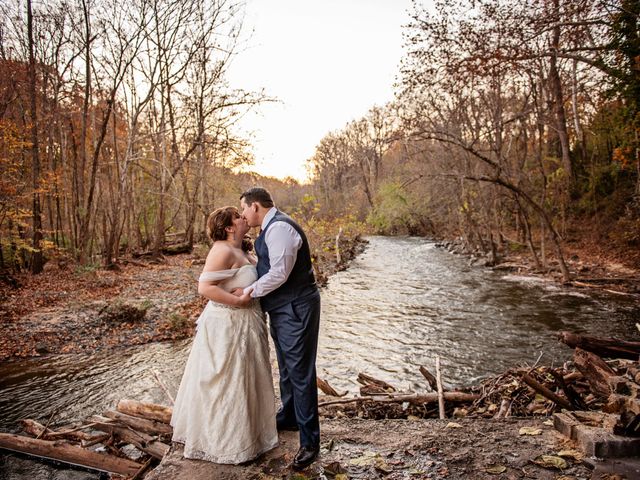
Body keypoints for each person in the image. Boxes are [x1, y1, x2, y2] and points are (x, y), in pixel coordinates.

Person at [170, 206, 278, 464]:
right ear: (229, 227)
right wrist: (237, 302)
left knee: (248, 377)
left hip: (249, 321)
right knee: (227, 380)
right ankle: (226, 444)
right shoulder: (221, 249)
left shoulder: (242, 249)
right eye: (238, 217)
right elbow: (205, 287)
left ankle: (251, 436)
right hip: (227, 323)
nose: (244, 218)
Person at [236, 187, 321, 470]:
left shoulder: (280, 228)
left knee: (300, 373)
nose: (243, 216)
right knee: (286, 366)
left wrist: (250, 291)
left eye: (244, 210)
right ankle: (291, 417)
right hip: (283, 307)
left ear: (256, 206)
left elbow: (280, 273)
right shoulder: (270, 228)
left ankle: (309, 443)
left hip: (296, 306)